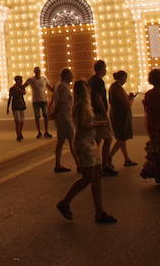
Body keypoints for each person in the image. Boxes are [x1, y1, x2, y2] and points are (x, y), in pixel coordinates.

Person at [56, 80, 117, 225]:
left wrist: (97, 124)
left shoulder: (85, 105)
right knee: (88, 177)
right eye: (86, 89)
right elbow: (83, 125)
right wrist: (99, 123)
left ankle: (100, 212)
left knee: (96, 177)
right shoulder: (80, 106)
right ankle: (65, 202)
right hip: (83, 144)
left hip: (90, 142)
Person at [88, 60, 117, 176]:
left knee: (97, 140)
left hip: (93, 112)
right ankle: (104, 165)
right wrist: (105, 114)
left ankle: (96, 163)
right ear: (101, 69)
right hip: (99, 114)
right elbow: (98, 99)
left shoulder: (91, 80)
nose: (106, 70)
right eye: (105, 68)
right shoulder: (99, 81)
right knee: (108, 138)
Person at [107, 71, 137, 167]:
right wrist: (131, 99)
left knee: (121, 138)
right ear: (122, 78)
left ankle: (126, 159)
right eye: (125, 78)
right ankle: (108, 157)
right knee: (122, 138)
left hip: (116, 114)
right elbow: (127, 104)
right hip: (121, 116)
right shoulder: (118, 88)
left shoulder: (113, 87)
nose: (126, 80)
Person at [50, 68, 75, 173]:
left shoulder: (60, 86)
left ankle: (58, 164)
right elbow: (60, 103)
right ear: (66, 76)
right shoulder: (63, 87)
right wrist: (54, 114)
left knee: (62, 141)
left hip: (64, 116)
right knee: (71, 141)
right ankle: (79, 164)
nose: (72, 77)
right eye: (71, 75)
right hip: (64, 117)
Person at [23, 66, 53, 138]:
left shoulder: (44, 79)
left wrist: (55, 88)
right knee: (37, 116)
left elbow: (50, 88)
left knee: (45, 116)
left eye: (38, 71)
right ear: (34, 71)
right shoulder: (31, 79)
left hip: (44, 100)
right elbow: (23, 86)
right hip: (36, 101)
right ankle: (39, 132)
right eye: (36, 71)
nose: (37, 72)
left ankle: (46, 131)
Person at [6, 75, 27, 141]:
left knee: (22, 120)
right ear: (16, 81)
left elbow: (24, 93)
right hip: (15, 106)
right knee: (18, 121)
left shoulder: (22, 87)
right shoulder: (12, 89)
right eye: (20, 80)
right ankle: (18, 135)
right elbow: (10, 98)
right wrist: (7, 107)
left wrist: (19, 89)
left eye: (21, 80)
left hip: (22, 105)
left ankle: (20, 132)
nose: (21, 82)